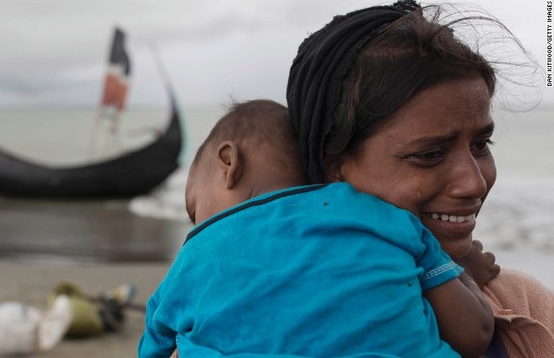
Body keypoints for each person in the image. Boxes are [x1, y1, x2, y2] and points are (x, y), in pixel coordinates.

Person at [285, 0, 554, 356]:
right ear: (335, 165)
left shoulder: (523, 306)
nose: (474, 184)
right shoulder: (240, 320)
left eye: (480, 144)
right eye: (429, 154)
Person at [139, 99, 494, 357]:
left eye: (193, 208)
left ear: (228, 163)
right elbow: (475, 334)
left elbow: (154, 346)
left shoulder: (196, 254)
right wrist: (464, 275)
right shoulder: (387, 217)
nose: (199, 224)